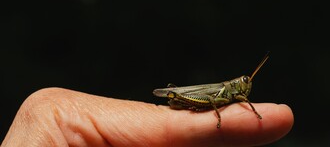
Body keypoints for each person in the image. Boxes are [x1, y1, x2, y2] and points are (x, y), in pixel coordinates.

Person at [1, 87, 293, 146]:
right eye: (245, 82)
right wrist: (217, 117)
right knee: (179, 97)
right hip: (196, 97)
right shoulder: (228, 92)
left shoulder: (239, 94)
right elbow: (216, 100)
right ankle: (175, 94)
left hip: (204, 102)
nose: (246, 87)